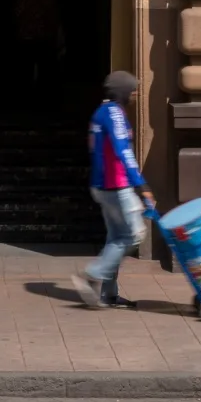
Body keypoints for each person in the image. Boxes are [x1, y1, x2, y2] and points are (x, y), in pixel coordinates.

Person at [71, 70, 154, 309]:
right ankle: (92, 276)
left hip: (102, 185)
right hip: (117, 185)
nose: (135, 94)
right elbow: (123, 151)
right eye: (132, 90)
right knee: (133, 235)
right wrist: (141, 185)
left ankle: (108, 294)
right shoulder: (114, 114)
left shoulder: (101, 112)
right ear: (122, 91)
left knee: (116, 239)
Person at [13, 0, 61, 105]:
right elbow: (55, 15)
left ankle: (26, 98)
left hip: (27, 37)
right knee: (45, 71)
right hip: (45, 37)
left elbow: (17, 13)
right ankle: (43, 99)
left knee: (25, 70)